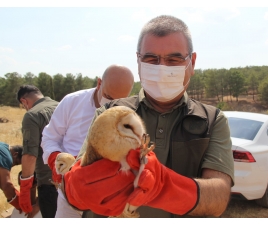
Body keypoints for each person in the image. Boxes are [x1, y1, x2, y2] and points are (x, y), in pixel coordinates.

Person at [63, 15, 235, 218]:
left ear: (192, 62)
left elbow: (218, 198)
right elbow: (78, 184)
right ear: (138, 61)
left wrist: (163, 186)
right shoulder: (110, 114)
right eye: (151, 59)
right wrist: (74, 189)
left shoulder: (211, 120)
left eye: (174, 59)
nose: (162, 68)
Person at [41, 64, 135, 218]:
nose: (112, 104)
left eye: (120, 100)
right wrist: (55, 161)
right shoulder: (72, 102)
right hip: (69, 189)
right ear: (99, 83)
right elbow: (50, 137)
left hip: (106, 195)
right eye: (109, 97)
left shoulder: (130, 114)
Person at [17, 85, 59, 218]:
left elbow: (30, 154)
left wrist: (25, 189)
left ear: (24, 101)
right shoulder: (63, 106)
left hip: (49, 183)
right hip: (74, 179)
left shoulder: (32, 115)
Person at [0, 142, 38, 218]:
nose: (12, 166)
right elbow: (6, 185)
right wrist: (20, 204)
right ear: (15, 154)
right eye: (15, 163)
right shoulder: (6, 156)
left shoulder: (2, 147)